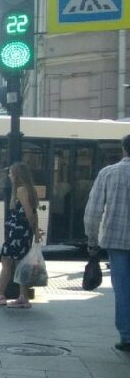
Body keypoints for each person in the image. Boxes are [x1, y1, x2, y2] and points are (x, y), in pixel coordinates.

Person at [84, 134, 130, 353]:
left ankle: (127, 336)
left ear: (123, 149)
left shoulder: (108, 173)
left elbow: (93, 212)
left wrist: (92, 241)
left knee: (122, 289)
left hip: (117, 240)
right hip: (117, 240)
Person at [0, 162, 41, 308]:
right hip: (22, 231)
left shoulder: (20, 190)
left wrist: (34, 230)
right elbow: (34, 213)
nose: (9, 175)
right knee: (18, 262)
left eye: (11, 173)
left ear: (16, 175)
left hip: (18, 231)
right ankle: (22, 296)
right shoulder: (29, 189)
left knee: (7, 260)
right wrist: (35, 231)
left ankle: (2, 294)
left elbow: (28, 212)